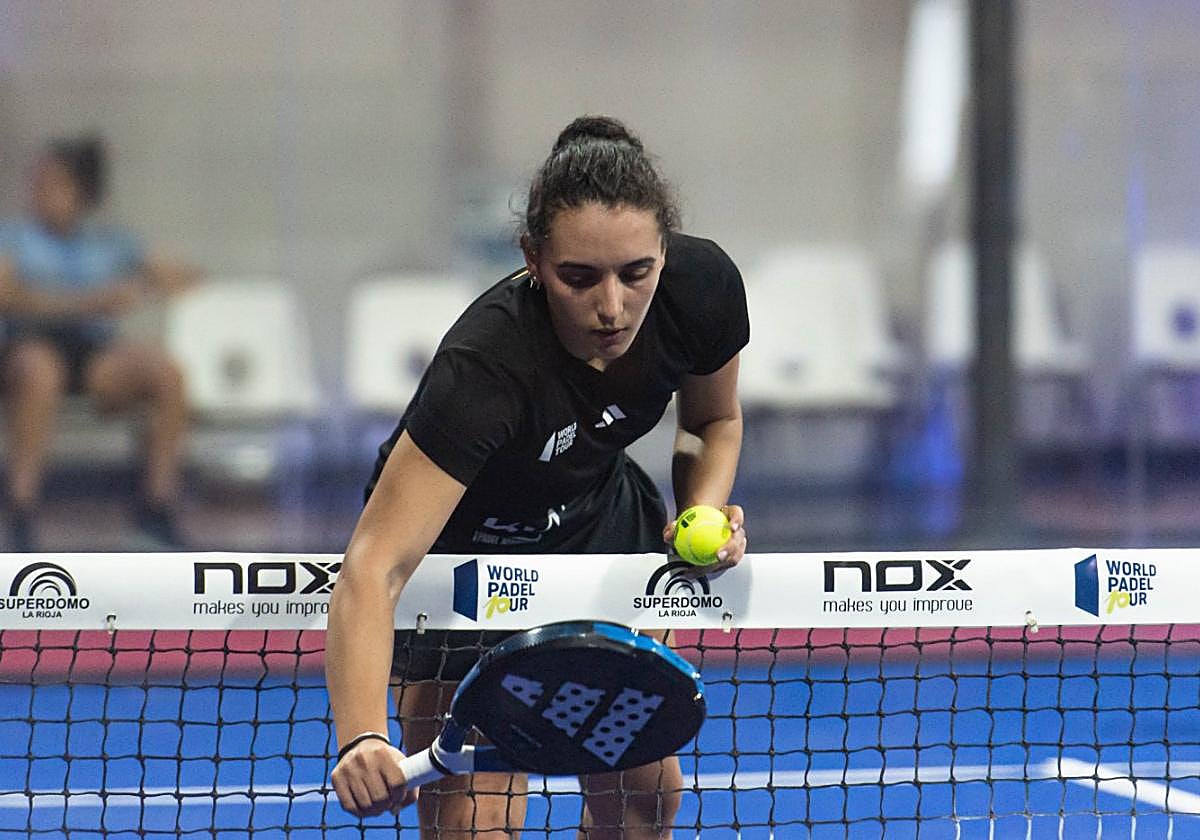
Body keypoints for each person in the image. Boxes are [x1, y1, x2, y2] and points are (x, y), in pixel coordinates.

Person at [327, 115, 749, 838]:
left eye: (636, 273)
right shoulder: (486, 368)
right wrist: (362, 736)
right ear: (532, 258)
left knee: (645, 801)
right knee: (472, 821)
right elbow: (374, 564)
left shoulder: (701, 290)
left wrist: (698, 513)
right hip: (463, 562)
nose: (612, 307)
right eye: (578, 278)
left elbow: (712, 422)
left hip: (595, 528)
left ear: (663, 257)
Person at [0, 136, 198, 551]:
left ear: (80, 192)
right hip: (29, 347)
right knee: (39, 370)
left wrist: (141, 287)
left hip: (92, 357)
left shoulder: (109, 241)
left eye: (53, 184)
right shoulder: (15, 237)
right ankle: (21, 504)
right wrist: (84, 303)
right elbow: (7, 296)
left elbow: (184, 276)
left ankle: (156, 504)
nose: (41, 193)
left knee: (166, 373)